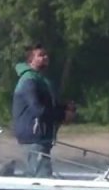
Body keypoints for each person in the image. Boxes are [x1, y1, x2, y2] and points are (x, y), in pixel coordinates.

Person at [12, 43, 75, 178]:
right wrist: (62, 115)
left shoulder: (41, 80)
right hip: (33, 137)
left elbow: (48, 106)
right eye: (40, 55)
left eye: (46, 55)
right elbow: (37, 109)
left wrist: (65, 108)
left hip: (42, 137)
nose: (45, 57)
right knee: (42, 176)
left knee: (34, 174)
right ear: (30, 60)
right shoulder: (29, 80)